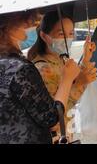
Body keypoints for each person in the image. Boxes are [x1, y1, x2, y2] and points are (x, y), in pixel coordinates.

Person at [0, 11, 80, 144]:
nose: (30, 25)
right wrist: (67, 79)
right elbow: (51, 118)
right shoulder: (20, 69)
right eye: (24, 20)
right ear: (9, 24)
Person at [27, 11, 97, 142]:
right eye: (61, 34)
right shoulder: (42, 68)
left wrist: (86, 58)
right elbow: (54, 114)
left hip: (67, 133)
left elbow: (73, 83)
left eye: (71, 34)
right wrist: (79, 84)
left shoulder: (61, 60)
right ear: (44, 36)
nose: (68, 38)